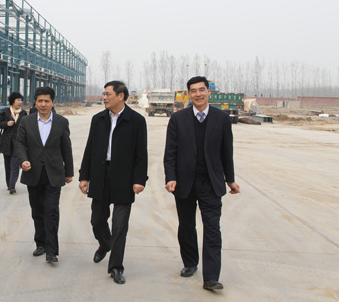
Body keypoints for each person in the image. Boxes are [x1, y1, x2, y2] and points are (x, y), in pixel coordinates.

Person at [163, 76, 240, 291]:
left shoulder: (221, 118)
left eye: (201, 90)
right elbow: (170, 152)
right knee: (187, 226)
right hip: (184, 182)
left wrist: (230, 180)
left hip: (211, 183)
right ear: (189, 94)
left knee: (212, 228)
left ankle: (211, 278)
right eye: (193, 91)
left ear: (208, 92)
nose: (198, 94)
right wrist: (170, 177)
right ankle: (190, 262)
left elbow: (227, 152)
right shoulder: (178, 119)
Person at [79, 80, 148, 285]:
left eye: (108, 94)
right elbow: (90, 148)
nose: (104, 97)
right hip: (100, 175)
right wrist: (84, 176)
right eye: (104, 94)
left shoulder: (136, 121)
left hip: (124, 178)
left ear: (121, 96)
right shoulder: (98, 119)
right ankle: (105, 244)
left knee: (120, 226)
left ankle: (116, 267)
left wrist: (139, 180)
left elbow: (141, 154)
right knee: (97, 220)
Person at [14, 87, 73, 263]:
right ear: (35, 102)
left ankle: (52, 250)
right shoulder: (26, 121)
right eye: (40, 101)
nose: (43, 104)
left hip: (54, 173)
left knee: (51, 210)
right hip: (33, 172)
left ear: (52, 102)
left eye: (47, 101)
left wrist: (69, 172)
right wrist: (23, 160)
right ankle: (40, 243)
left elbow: (66, 148)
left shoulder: (61, 122)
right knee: (37, 210)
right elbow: (19, 143)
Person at [0, 92, 27, 194]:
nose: (20, 102)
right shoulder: (5, 112)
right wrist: (6, 124)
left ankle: (12, 186)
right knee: (8, 164)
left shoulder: (23, 113)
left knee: (15, 164)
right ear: (13, 101)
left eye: (21, 100)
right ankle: (9, 183)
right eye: (18, 100)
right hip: (6, 142)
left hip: (18, 142)